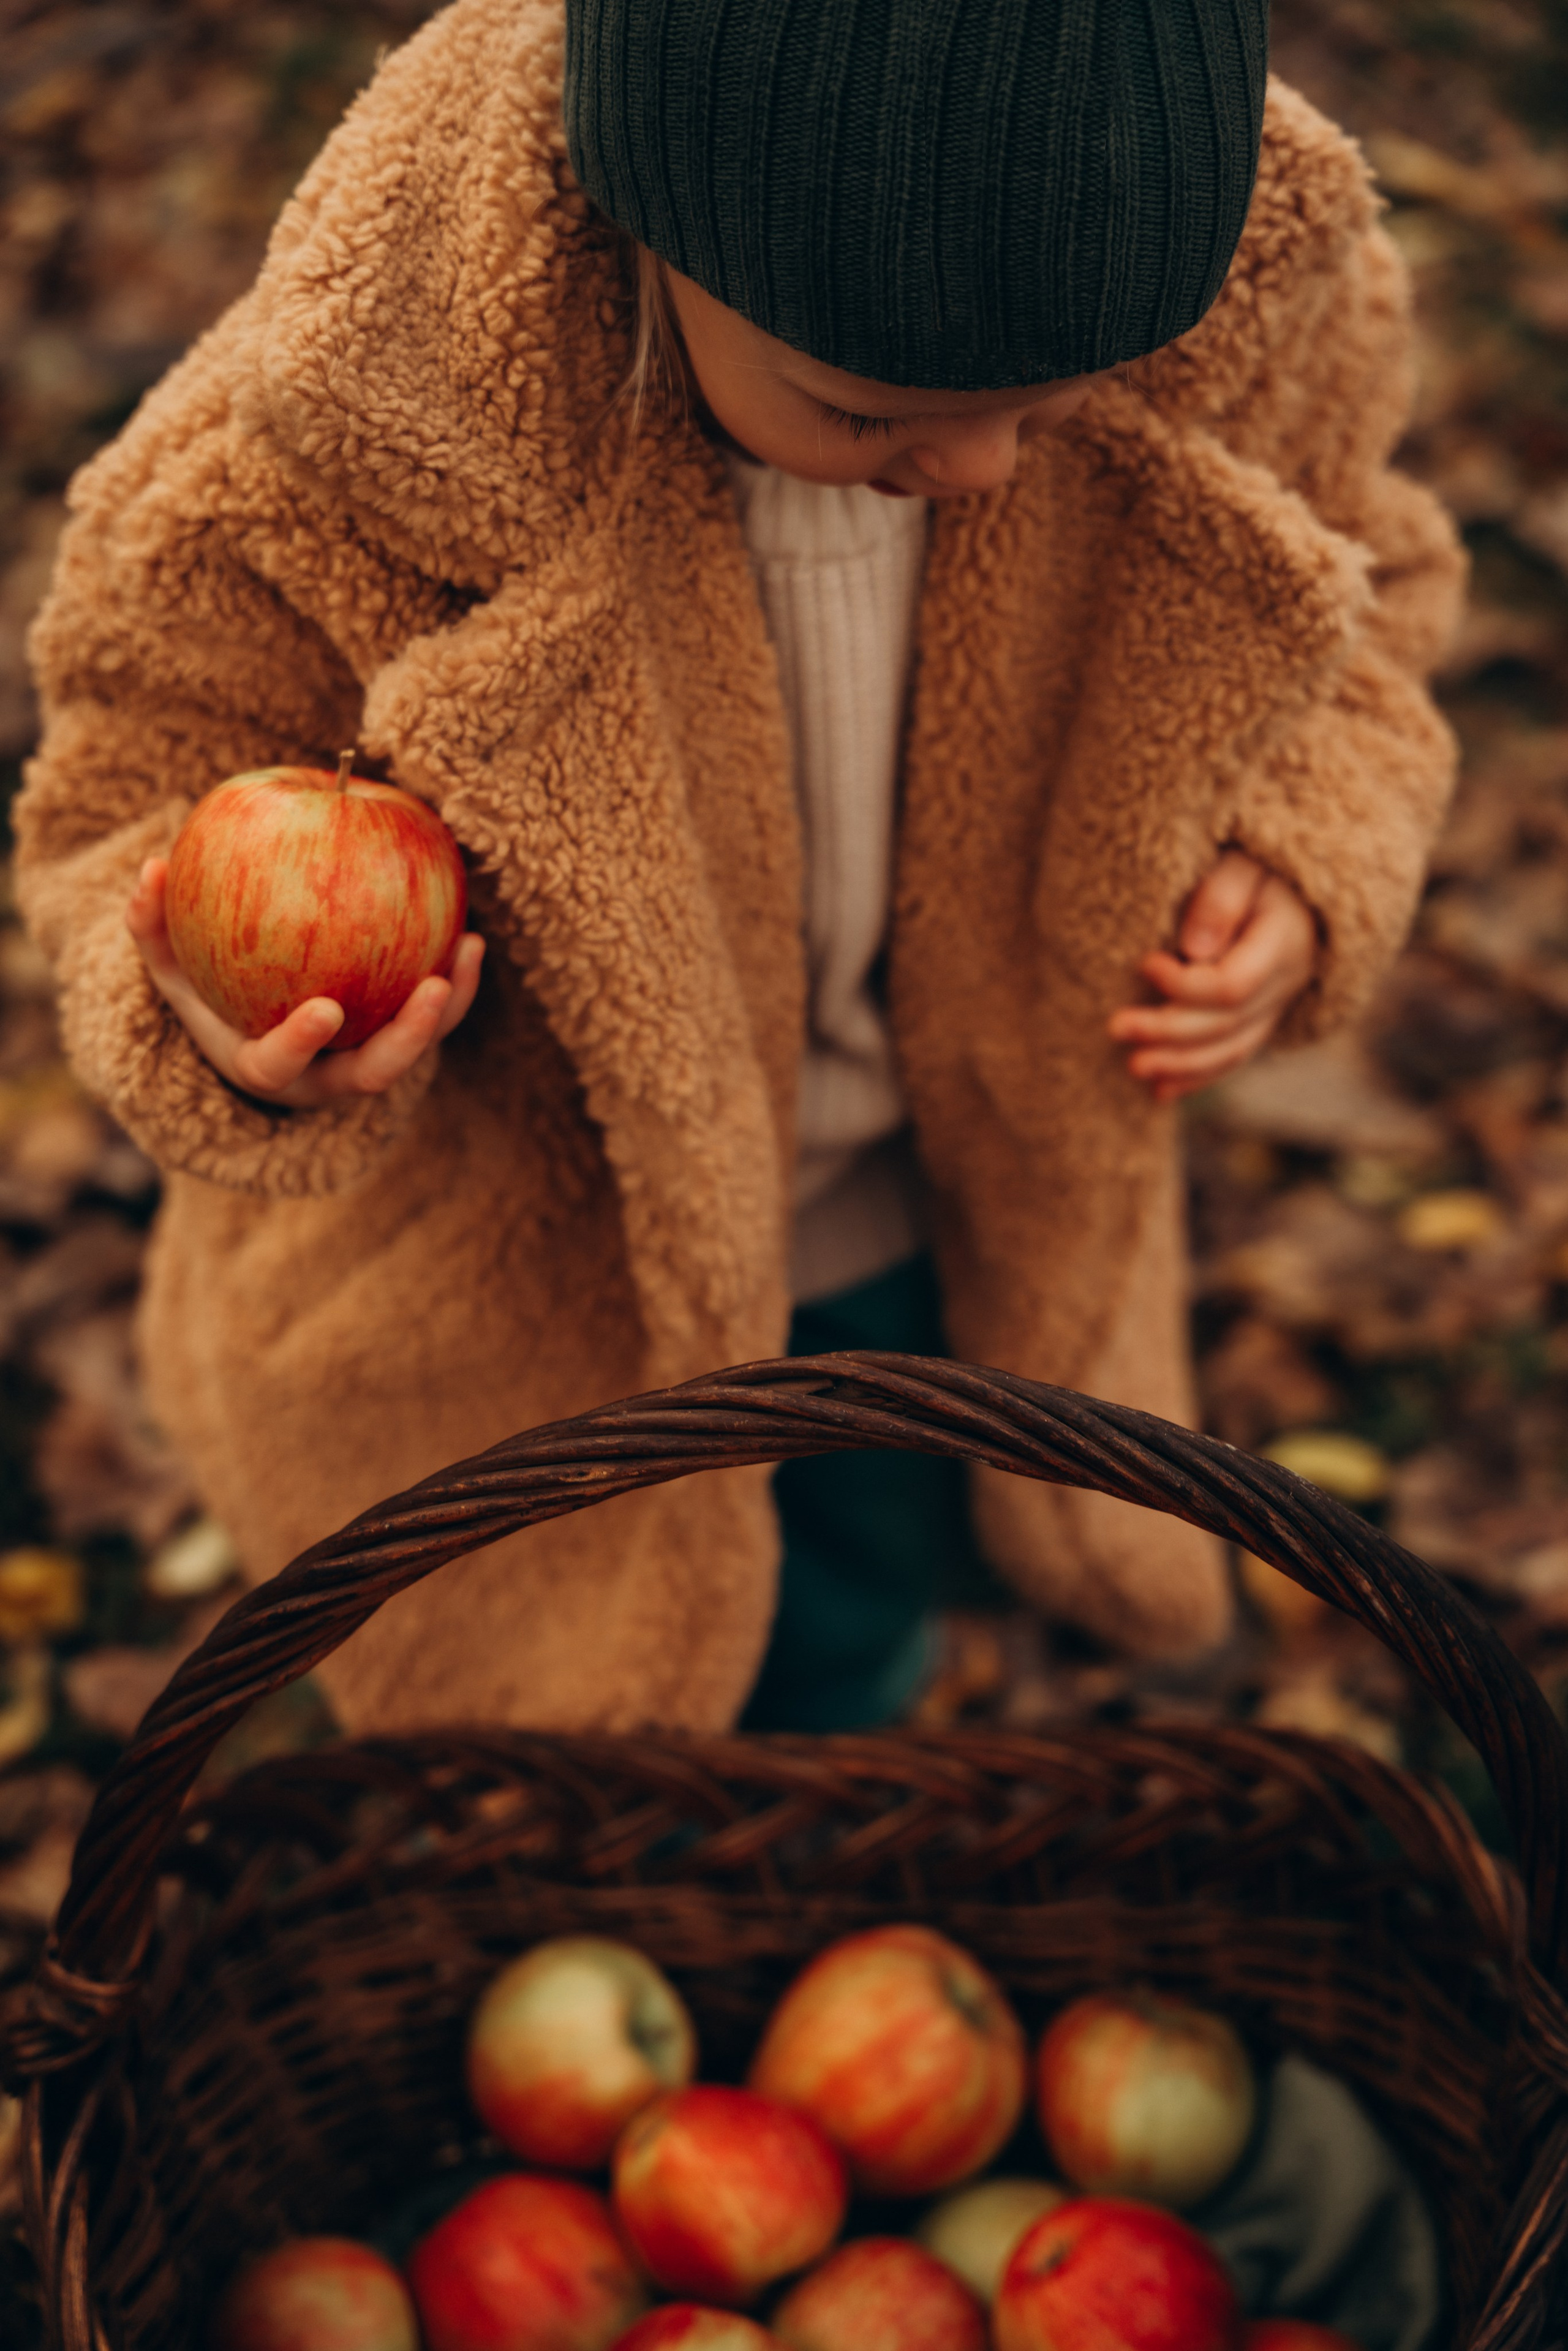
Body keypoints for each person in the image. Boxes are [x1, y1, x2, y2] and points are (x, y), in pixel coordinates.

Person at [16, 0, 1463, 1737]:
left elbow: (1366, 589)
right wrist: (200, 997)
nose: (985, 468)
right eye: (871, 412)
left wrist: (1302, 845)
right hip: (519, 1289)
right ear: (657, 227)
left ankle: (802, 1831)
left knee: (856, 1610)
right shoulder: (316, 450)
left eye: (1054, 408)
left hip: (930, 1220)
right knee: (528, 1700)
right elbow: (128, 798)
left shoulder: (1247, 304)